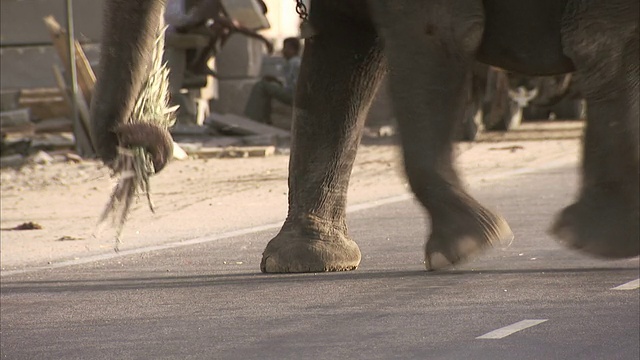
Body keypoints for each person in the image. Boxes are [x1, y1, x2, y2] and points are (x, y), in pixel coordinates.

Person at [243, 37, 302, 125]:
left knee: (261, 85)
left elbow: (295, 87)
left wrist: (278, 85)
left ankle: (253, 118)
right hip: (293, 94)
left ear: (293, 50)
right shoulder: (293, 62)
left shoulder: (295, 63)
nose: (283, 51)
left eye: (286, 48)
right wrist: (276, 81)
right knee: (266, 88)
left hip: (294, 96)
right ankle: (264, 119)